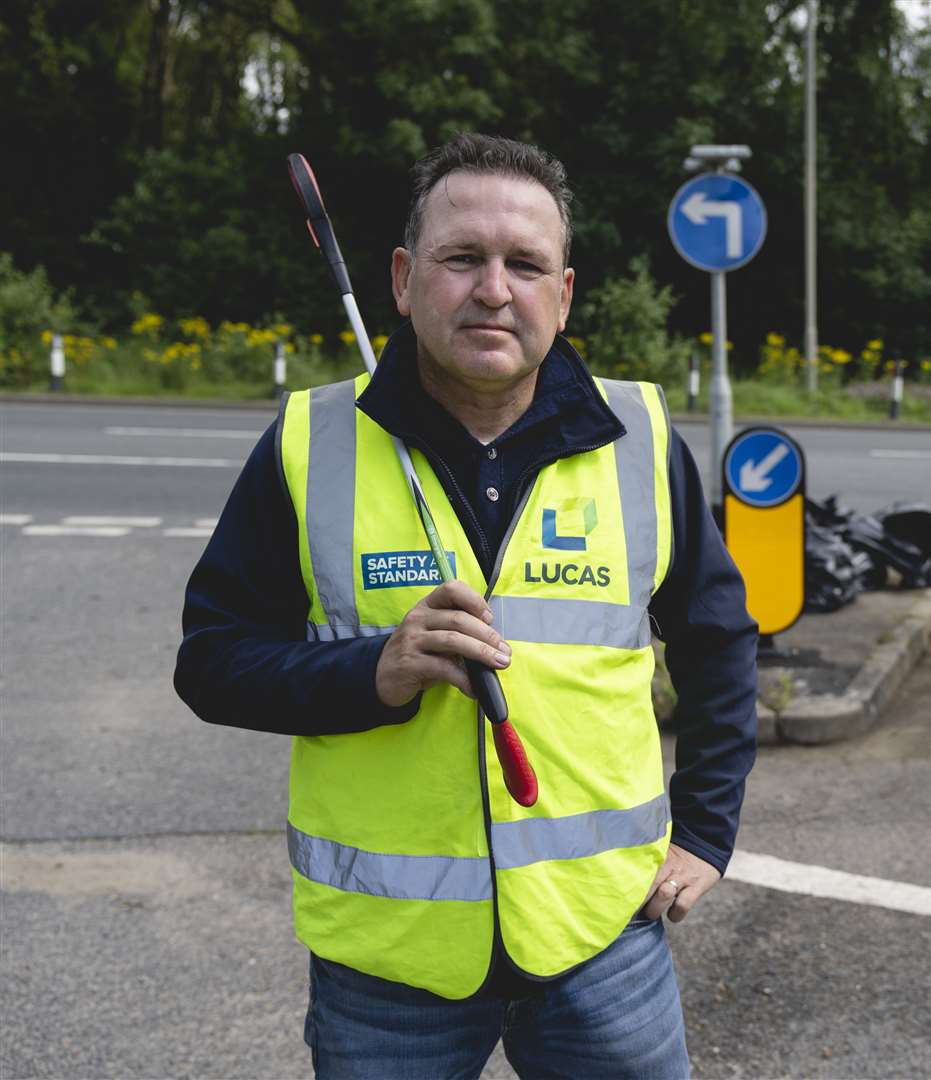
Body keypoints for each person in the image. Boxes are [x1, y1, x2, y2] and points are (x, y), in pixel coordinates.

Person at [173, 133, 758, 1078]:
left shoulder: (641, 439)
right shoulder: (309, 442)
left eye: (526, 264)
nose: (495, 289)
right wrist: (374, 671)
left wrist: (705, 833)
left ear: (562, 296)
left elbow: (720, 641)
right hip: (388, 967)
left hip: (600, 941)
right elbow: (210, 662)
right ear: (404, 280)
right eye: (462, 259)